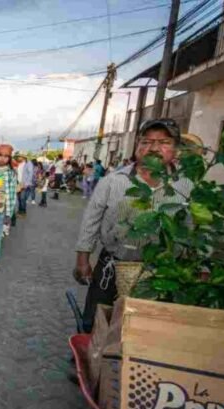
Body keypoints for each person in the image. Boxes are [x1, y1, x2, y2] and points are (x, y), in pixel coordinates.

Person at [73, 118, 193, 332]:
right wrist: (82, 259)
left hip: (161, 272)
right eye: (146, 141)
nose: (154, 148)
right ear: (137, 146)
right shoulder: (113, 181)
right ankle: (90, 356)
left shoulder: (186, 185)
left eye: (164, 142)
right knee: (96, 320)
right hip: (112, 265)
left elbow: (193, 228)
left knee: (146, 327)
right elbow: (91, 220)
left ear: (176, 149)